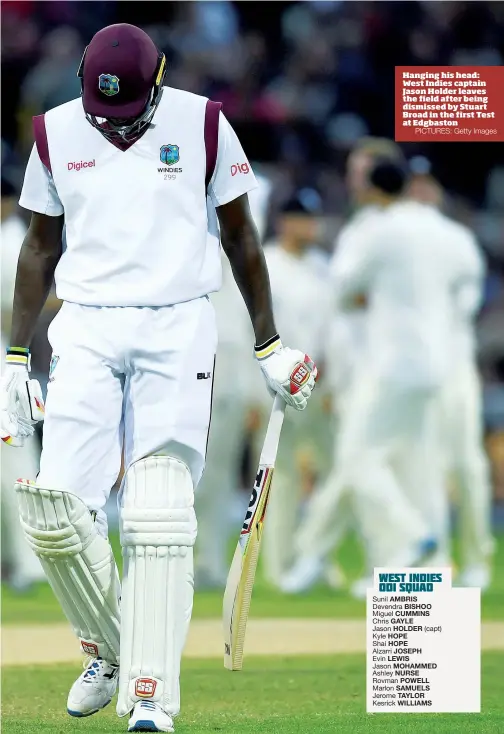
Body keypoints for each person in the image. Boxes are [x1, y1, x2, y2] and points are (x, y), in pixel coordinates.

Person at [0, 24, 318, 734]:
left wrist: (268, 344)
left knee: (157, 514)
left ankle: (150, 696)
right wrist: (15, 357)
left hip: (176, 324)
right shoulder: (53, 132)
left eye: (129, 110)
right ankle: (110, 653)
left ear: (161, 77)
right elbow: (39, 244)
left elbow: (240, 235)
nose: (114, 126)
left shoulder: (203, 122)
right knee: (55, 515)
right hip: (84, 322)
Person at [284, 141, 453, 594]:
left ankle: (411, 538)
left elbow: (340, 290)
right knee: (404, 463)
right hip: (426, 362)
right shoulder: (428, 228)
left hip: (388, 365)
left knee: (359, 460)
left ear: (374, 185)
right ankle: (409, 560)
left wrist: (364, 296)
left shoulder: (376, 230)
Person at [408, 170, 494, 589]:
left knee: (467, 464)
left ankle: (477, 556)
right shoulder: (398, 243)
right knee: (425, 466)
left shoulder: (457, 241)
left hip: (454, 367)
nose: (422, 193)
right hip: (417, 371)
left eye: (429, 185)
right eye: (415, 186)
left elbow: (465, 302)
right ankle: (436, 558)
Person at [194, 171, 271, 589]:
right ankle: (186, 556)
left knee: (217, 473)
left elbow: (246, 329)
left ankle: (206, 559)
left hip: (228, 369)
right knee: (191, 469)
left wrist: (251, 391)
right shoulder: (195, 242)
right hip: (198, 362)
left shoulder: (245, 255)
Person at [254, 189, 332, 588]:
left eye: (313, 218)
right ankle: (279, 565)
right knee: (281, 477)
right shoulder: (267, 261)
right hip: (278, 388)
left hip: (320, 385)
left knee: (331, 473)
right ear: (285, 221)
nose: (309, 226)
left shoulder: (324, 266)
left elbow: (333, 329)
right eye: (302, 218)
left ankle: (317, 558)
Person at [1, 175, 45, 591]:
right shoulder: (13, 236)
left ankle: (26, 562)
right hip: (7, 358)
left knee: (14, 463)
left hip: (6, 358)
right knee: (15, 462)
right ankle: (22, 562)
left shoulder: (11, 236)